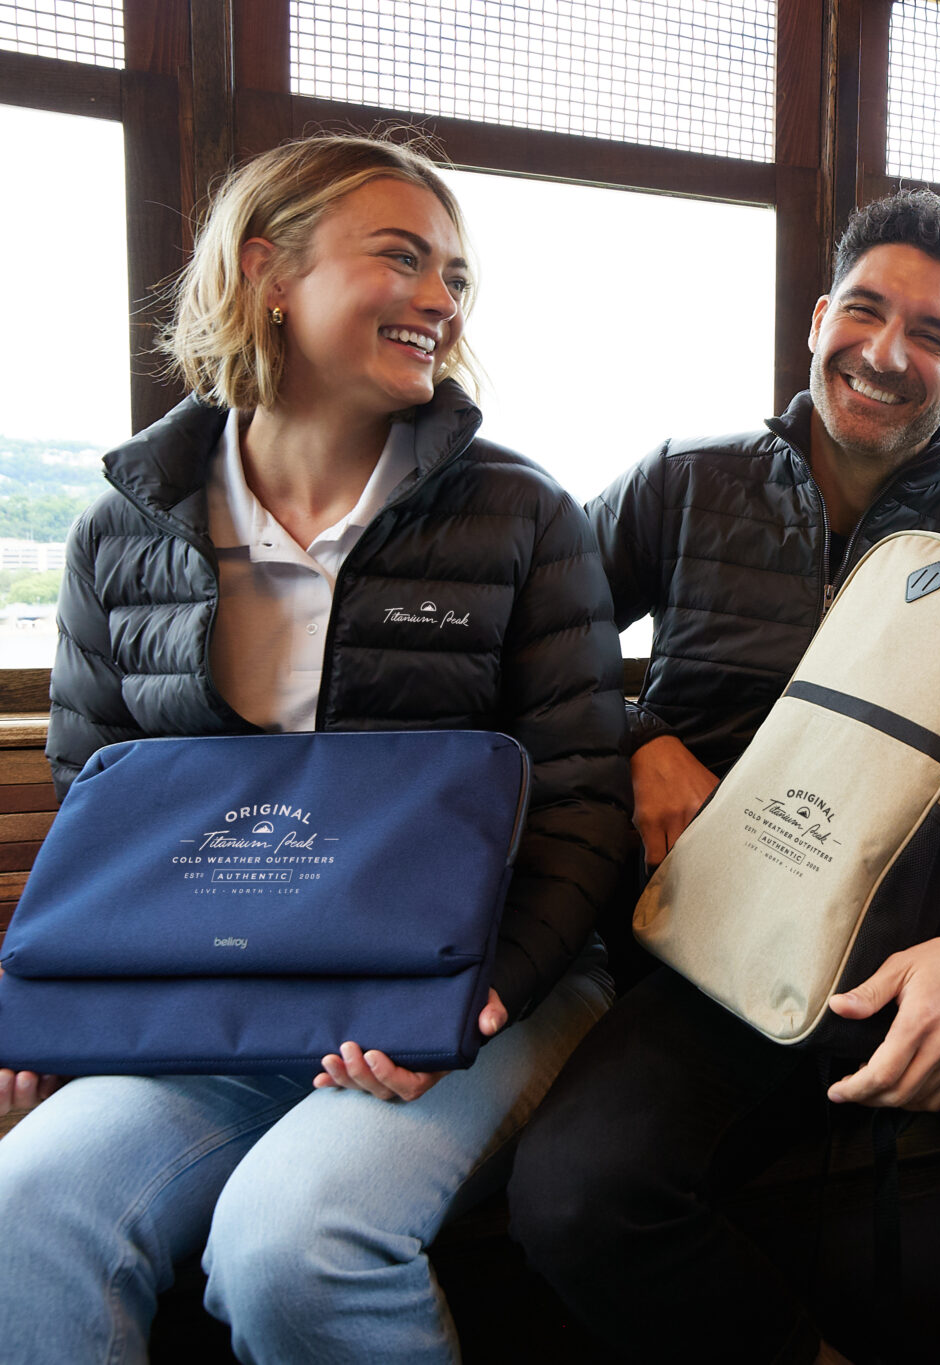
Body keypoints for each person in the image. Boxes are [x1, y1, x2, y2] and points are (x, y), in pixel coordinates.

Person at [0, 132, 635, 1363]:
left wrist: (476, 1000)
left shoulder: (522, 514)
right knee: (24, 1209)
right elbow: (100, 813)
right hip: (229, 1002)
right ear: (266, 274)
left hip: (482, 980)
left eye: (457, 276)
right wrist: (53, 1021)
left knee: (292, 1244)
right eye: (402, 258)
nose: (442, 300)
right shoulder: (117, 535)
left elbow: (576, 804)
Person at [506, 188, 940, 1365]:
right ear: (816, 320)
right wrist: (637, 739)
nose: (885, 352)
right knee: (573, 1195)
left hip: (937, 908)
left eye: (932, 335)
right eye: (865, 311)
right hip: (725, 921)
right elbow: (534, 658)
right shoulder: (684, 480)